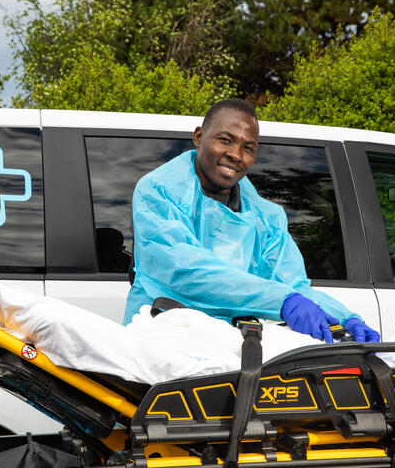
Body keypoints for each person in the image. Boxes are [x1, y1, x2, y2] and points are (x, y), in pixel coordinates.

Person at [124, 99, 379, 343]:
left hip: (226, 351)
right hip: (159, 337)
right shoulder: (158, 192)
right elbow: (184, 270)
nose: (236, 155)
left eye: (248, 148)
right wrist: (283, 301)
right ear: (199, 137)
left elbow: (291, 284)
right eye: (226, 140)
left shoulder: (266, 218)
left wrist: (345, 318)